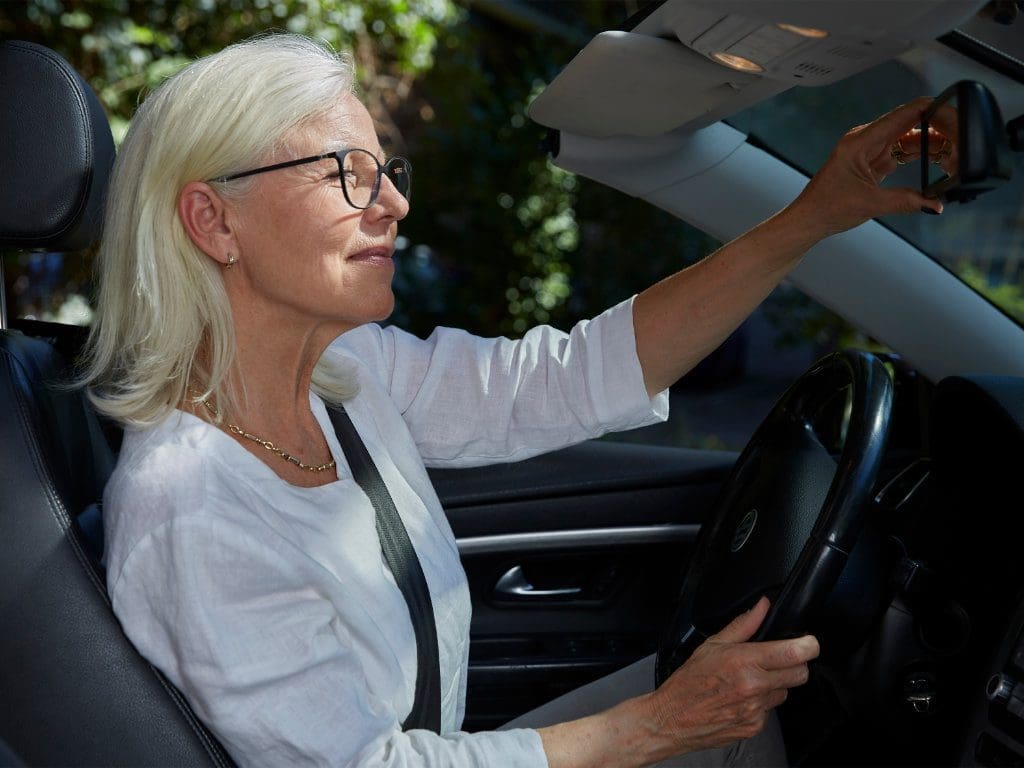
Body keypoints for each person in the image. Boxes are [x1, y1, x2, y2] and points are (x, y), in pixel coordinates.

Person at [82, 33, 946, 768]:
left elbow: (565, 380)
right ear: (213, 222)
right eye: (346, 173)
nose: (394, 202)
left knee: (757, 712)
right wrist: (655, 726)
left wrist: (814, 215)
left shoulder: (349, 375)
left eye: (386, 171)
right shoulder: (190, 510)